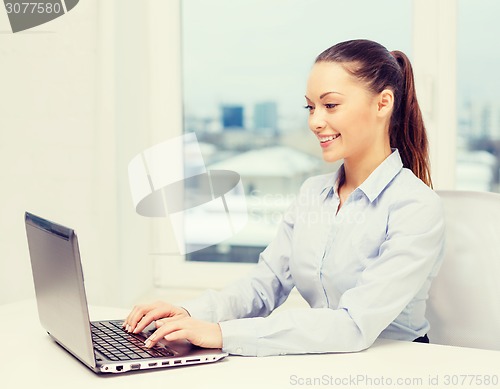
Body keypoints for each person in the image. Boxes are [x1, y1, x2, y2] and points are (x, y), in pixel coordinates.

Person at [123, 39, 445, 357]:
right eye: (310, 106)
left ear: (382, 103)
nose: (315, 121)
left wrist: (222, 334)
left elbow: (353, 326)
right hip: (326, 360)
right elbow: (266, 284)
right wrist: (188, 313)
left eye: (330, 105)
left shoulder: (415, 207)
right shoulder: (312, 194)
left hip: (397, 366)